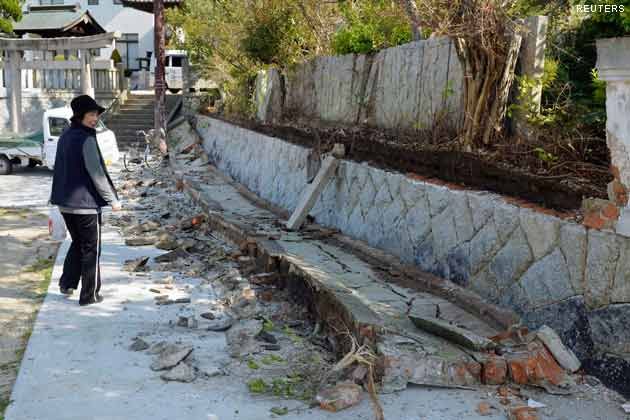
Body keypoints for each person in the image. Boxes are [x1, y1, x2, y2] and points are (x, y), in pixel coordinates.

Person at [50, 95, 121, 306]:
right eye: (91, 114)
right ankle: (89, 295)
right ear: (79, 116)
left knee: (78, 243)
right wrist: (113, 200)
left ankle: (67, 283)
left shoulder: (66, 135)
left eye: (96, 114)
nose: (95, 119)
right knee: (91, 249)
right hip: (86, 206)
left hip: (65, 204)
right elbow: (96, 173)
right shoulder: (86, 139)